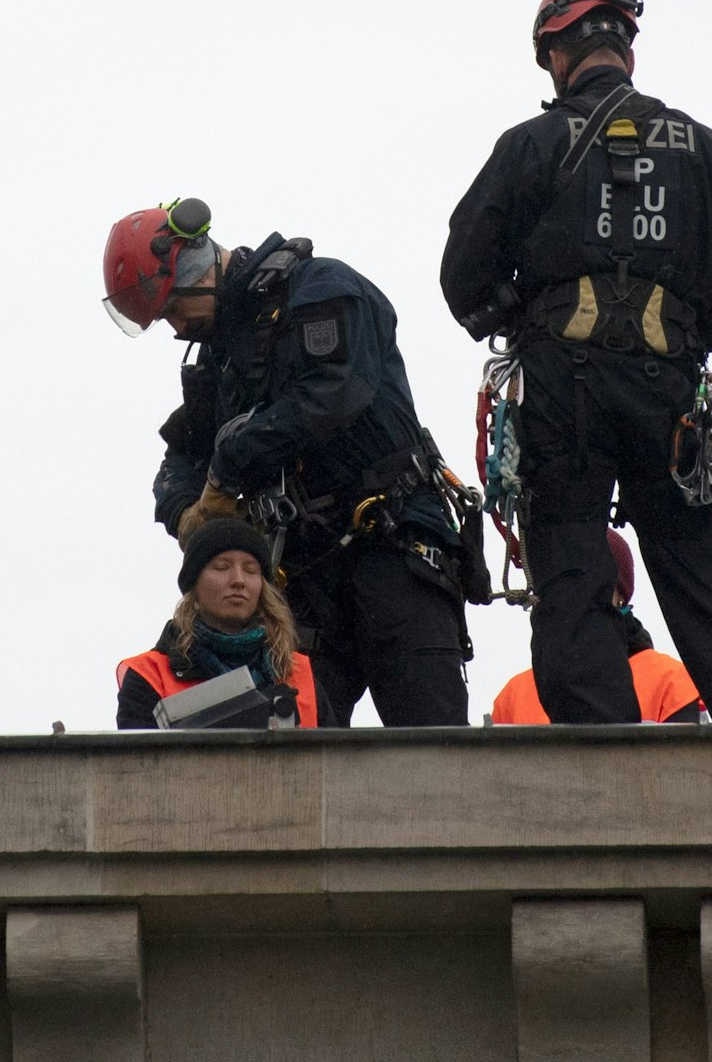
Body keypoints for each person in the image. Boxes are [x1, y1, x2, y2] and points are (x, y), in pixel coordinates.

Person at [441, 0, 712, 725]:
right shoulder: (699, 147)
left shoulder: (530, 145)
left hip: (563, 393)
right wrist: (676, 342)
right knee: (696, 580)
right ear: (626, 50)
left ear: (555, 56)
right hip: (668, 395)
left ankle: (603, 758)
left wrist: (529, 323)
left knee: (570, 580)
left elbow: (463, 273)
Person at [101, 198, 474, 728]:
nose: (175, 325)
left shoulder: (320, 289)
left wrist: (228, 467)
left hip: (392, 546)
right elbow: (183, 456)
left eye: (173, 307)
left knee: (432, 742)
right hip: (306, 576)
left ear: (196, 266)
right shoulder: (222, 362)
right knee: (296, 750)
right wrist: (188, 513)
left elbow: (336, 391)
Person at [117, 518, 318, 728]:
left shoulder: (301, 673)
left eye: (250, 570)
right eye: (222, 567)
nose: (238, 580)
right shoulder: (150, 675)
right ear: (194, 584)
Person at [493, 530, 702, 724]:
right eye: (562, 582)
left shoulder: (670, 681)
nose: (577, 591)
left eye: (591, 580)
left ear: (621, 595)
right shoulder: (513, 697)